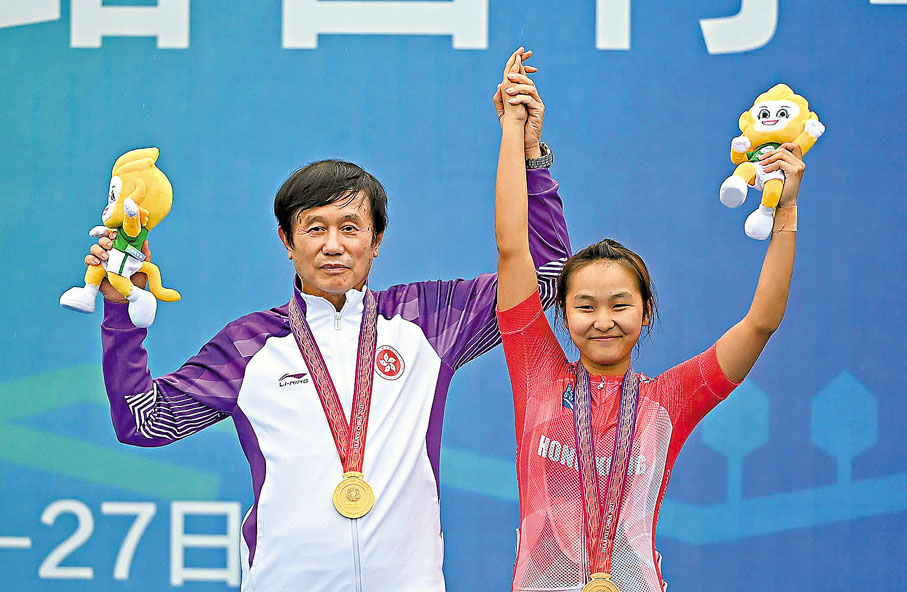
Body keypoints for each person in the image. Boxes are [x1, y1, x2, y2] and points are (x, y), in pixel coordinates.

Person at [85, 48, 570, 591]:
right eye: (315, 228)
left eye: (350, 228)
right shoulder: (248, 346)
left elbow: (550, 279)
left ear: (376, 240)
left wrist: (531, 157)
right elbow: (143, 422)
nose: (333, 245)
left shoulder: (430, 322)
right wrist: (120, 311)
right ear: (286, 241)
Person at [493, 52, 803, 592]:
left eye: (620, 305)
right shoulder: (536, 371)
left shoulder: (668, 402)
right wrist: (514, 133)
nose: (603, 321)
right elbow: (512, 246)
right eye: (585, 306)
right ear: (562, 313)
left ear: (645, 312)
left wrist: (787, 209)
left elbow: (761, 322)